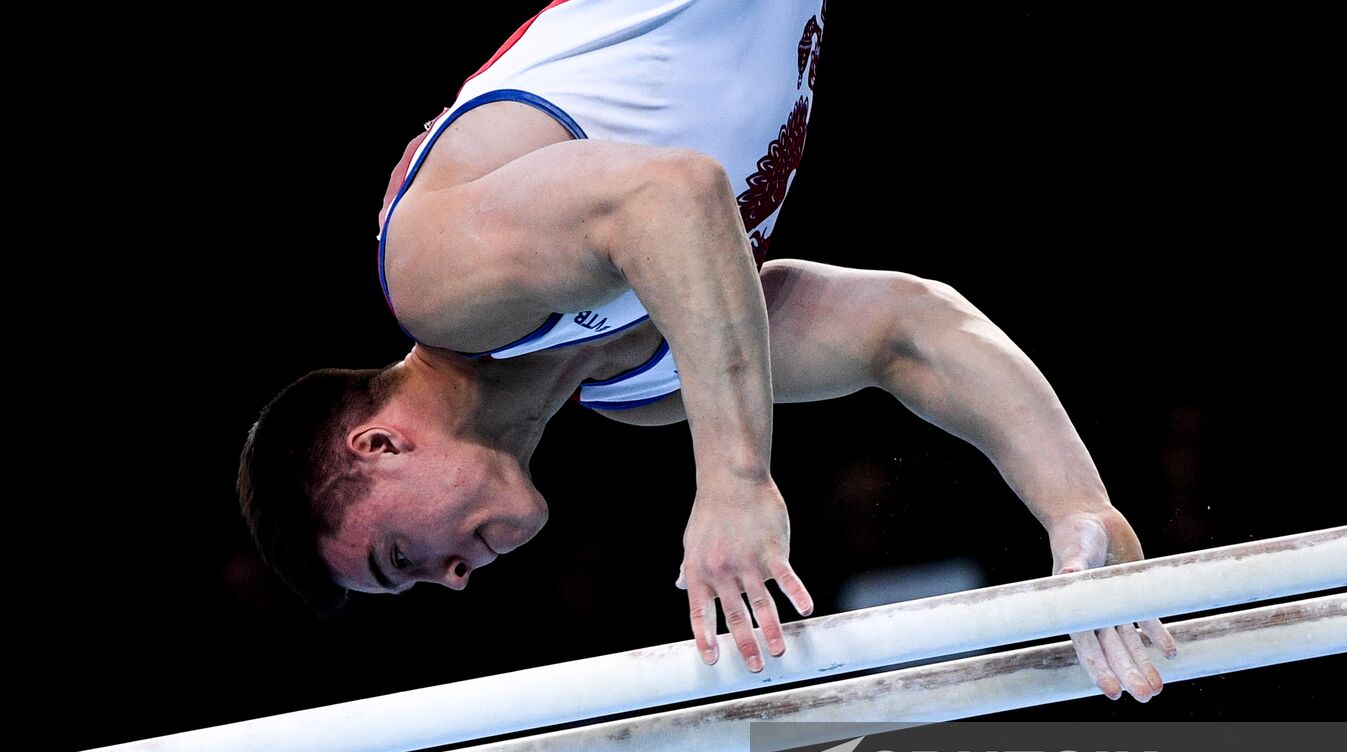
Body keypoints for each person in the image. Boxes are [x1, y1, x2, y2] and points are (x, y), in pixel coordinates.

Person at [238, 0, 1175, 701]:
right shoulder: (644, 380)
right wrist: (1078, 513)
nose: (449, 579)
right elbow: (909, 331)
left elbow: (674, 194)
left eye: (403, 554)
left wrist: (733, 484)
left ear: (378, 444)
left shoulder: (437, 286)